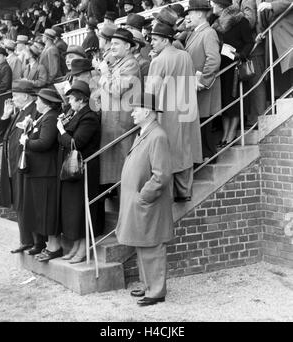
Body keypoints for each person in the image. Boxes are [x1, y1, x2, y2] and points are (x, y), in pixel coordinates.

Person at [116, 92, 173, 306]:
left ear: (147, 111)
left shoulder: (157, 135)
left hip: (149, 204)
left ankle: (156, 291)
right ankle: (148, 285)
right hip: (142, 203)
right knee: (143, 244)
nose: (132, 113)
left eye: (135, 109)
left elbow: (161, 174)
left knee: (152, 246)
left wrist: (143, 196)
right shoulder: (144, 133)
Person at [145, 22, 202, 201]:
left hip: (168, 112)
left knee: (169, 151)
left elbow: (150, 92)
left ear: (164, 40)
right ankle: (185, 191)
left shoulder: (158, 61)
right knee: (185, 148)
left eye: (154, 40)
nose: (152, 43)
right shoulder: (185, 55)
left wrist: (145, 114)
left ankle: (171, 194)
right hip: (187, 108)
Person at [57, 81, 102, 263]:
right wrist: (63, 127)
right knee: (74, 209)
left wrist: (61, 131)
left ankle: (83, 248)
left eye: (72, 99)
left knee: (83, 208)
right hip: (73, 167)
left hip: (84, 168)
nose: (69, 103)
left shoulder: (89, 117)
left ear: (81, 100)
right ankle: (76, 245)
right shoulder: (76, 114)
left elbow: (76, 143)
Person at [21, 88, 63, 261]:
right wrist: (28, 128)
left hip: (46, 172)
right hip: (38, 172)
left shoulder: (51, 117)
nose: (36, 103)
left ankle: (55, 246)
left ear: (46, 103)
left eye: (38, 100)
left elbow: (45, 143)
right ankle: (47, 245)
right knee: (40, 210)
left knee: (47, 210)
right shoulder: (44, 117)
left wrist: (27, 141)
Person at [0, 80, 40, 253]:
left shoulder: (34, 110)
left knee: (26, 201)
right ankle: (26, 239)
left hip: (26, 163)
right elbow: (4, 135)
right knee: (18, 201)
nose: (12, 98)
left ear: (25, 95)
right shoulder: (20, 111)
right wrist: (6, 116)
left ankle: (35, 241)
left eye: (15, 95)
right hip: (14, 162)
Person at [99, 28, 140, 189]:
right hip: (113, 122)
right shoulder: (118, 63)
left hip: (122, 123)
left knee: (125, 171)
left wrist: (104, 73)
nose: (112, 47)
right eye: (111, 43)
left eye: (117, 44)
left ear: (128, 47)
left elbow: (116, 90)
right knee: (117, 172)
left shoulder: (131, 64)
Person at [211, 0, 254, 146]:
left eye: (214, 4)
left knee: (234, 100)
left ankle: (231, 135)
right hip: (222, 67)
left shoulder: (240, 20)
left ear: (222, 6)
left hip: (235, 66)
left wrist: (241, 55)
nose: (212, 7)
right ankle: (225, 134)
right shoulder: (215, 23)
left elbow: (249, 42)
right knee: (224, 101)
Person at [184, 0, 221, 161]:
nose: (187, 17)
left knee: (205, 124)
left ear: (199, 14)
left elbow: (213, 59)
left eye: (190, 13)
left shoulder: (208, 32)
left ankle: (208, 156)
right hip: (195, 87)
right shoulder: (194, 33)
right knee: (200, 123)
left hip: (204, 87)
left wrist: (202, 82)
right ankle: (204, 156)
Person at [254, 0, 293, 97]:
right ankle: (284, 98)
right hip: (269, 34)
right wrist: (260, 31)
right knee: (276, 69)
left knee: (289, 65)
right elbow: (259, 12)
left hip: (286, 31)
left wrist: (271, 5)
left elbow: (291, 0)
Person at [0, 47, 12, 130]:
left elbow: (5, 84)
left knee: (2, 116)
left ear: (4, 57)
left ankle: (2, 136)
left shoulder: (6, 67)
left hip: (3, 96)